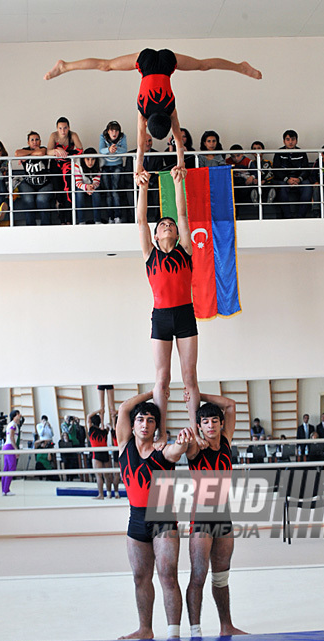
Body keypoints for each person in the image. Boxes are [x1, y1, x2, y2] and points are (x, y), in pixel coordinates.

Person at [45, 49, 261, 179]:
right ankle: (240, 67)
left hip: (166, 61)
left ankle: (65, 67)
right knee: (107, 66)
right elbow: (143, 145)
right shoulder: (143, 112)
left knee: (202, 66)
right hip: (146, 60)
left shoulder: (170, 108)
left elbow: (178, 141)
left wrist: (180, 163)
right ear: (150, 123)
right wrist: (139, 167)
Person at [116, 389, 191, 639]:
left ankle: (174, 634)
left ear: (156, 426)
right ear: (133, 425)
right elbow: (124, 408)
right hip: (136, 519)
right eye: (140, 420)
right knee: (140, 577)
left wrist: (182, 440)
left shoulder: (163, 452)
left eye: (151, 420)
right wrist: (153, 392)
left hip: (163, 518)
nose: (145, 424)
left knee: (167, 575)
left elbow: (178, 449)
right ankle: (145, 629)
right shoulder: (124, 447)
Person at [137, 169, 201, 445]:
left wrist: (179, 183)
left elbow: (183, 215)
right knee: (162, 377)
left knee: (189, 377)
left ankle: (194, 431)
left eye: (170, 224)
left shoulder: (184, 250)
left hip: (185, 314)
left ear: (176, 233)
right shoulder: (149, 254)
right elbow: (140, 220)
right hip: (161, 317)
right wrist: (143, 187)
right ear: (155, 233)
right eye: (162, 224)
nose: (167, 225)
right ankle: (161, 433)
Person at [185, 391, 246, 637]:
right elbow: (185, 443)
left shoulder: (227, 441)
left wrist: (199, 395)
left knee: (221, 577)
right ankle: (195, 631)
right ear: (199, 425)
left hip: (224, 515)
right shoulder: (194, 447)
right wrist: (193, 429)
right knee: (199, 575)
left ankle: (226, 626)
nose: (211, 425)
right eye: (206, 422)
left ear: (221, 424)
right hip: (201, 517)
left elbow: (230, 405)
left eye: (215, 421)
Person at [47, 117, 83, 223]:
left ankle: (69, 220)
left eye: (65, 128)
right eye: (60, 128)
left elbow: (80, 150)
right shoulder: (53, 136)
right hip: (56, 166)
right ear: (57, 129)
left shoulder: (73, 135)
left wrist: (66, 153)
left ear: (69, 128)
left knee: (68, 191)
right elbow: (48, 151)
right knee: (59, 193)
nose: (63, 131)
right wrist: (57, 150)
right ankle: (62, 220)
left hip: (67, 166)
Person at [14, 131, 54, 226]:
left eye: (37, 140)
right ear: (28, 142)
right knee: (28, 199)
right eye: (32, 140)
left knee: (42, 200)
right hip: (28, 183)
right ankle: (30, 226)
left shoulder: (44, 149)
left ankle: (46, 226)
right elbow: (17, 153)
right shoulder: (24, 150)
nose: (35, 142)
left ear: (40, 141)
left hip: (44, 183)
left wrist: (27, 155)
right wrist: (32, 153)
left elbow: (41, 152)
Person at [272, 129, 312, 218]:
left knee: (308, 186)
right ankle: (287, 217)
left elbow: (306, 169)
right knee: (281, 188)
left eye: (293, 139)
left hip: (299, 179)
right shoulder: (279, 153)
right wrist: (287, 180)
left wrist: (299, 179)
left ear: (296, 141)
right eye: (288, 139)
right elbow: (276, 170)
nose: (290, 142)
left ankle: (300, 216)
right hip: (284, 180)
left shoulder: (301, 153)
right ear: (284, 141)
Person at [99, 120, 127, 223]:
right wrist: (108, 150)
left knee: (115, 191)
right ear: (108, 131)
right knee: (108, 192)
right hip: (106, 166)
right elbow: (101, 150)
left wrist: (115, 149)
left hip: (117, 166)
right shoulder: (103, 137)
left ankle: (118, 217)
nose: (114, 133)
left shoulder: (123, 137)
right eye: (112, 131)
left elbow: (125, 150)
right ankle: (110, 217)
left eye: (116, 131)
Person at [74, 147, 102, 224]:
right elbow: (78, 182)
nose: (90, 162)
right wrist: (86, 187)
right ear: (83, 159)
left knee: (96, 193)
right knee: (79, 193)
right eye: (88, 159)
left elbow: (97, 182)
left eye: (93, 159)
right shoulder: (77, 165)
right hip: (82, 186)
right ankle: (81, 221)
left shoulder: (98, 166)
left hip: (92, 186)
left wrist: (92, 187)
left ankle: (98, 220)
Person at [86, 409, 110, 499]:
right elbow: (108, 428)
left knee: (98, 475)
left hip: (96, 454)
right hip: (105, 453)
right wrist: (105, 424)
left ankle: (101, 495)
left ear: (92, 422)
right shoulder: (104, 432)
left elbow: (88, 416)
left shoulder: (91, 430)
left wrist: (99, 410)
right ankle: (109, 494)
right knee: (107, 475)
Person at [1, 410, 21, 496]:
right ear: (15, 416)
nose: (20, 416)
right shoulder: (13, 424)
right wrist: (16, 449)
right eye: (18, 414)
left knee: (6, 468)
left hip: (7, 446)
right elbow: (11, 437)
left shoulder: (12, 424)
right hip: (10, 446)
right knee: (12, 467)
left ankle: (4, 489)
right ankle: (6, 490)